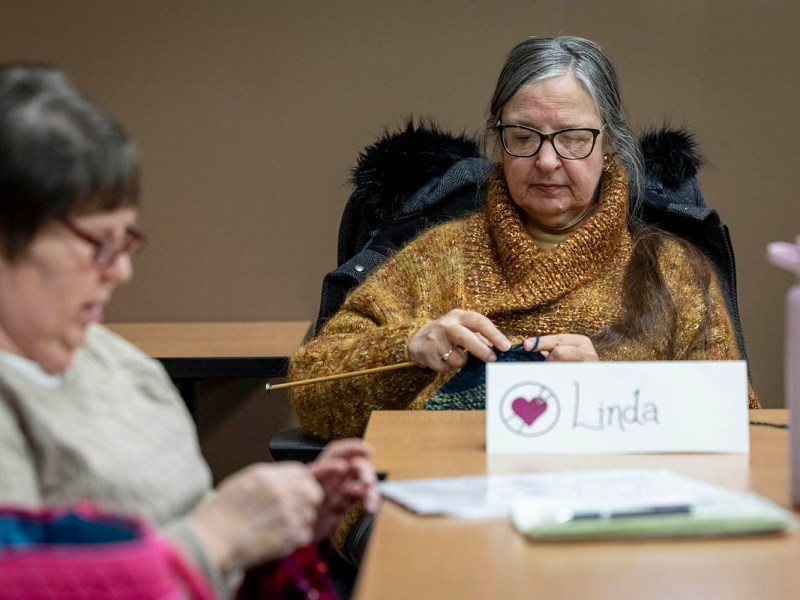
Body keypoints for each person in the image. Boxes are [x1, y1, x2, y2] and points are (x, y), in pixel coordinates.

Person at [0, 64, 379, 599]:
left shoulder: (121, 366)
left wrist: (270, 533)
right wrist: (215, 539)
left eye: (124, 241)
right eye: (97, 245)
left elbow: (198, 548)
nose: (121, 271)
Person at [289, 35, 759, 443]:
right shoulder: (436, 258)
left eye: (573, 137)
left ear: (610, 141)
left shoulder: (673, 272)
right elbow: (308, 395)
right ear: (497, 139)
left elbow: (736, 422)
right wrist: (407, 347)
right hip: (446, 497)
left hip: (611, 510)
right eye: (524, 135)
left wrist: (611, 392)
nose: (548, 161)